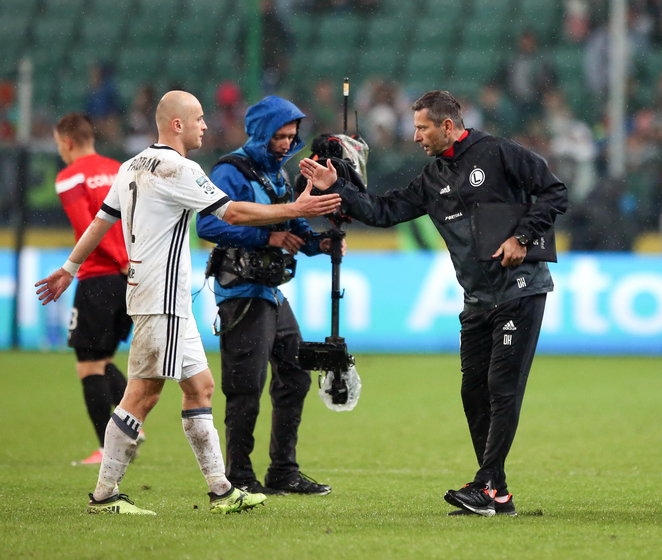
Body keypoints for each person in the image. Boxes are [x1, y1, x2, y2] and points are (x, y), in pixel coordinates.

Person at [35, 90, 342, 515]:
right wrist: (297, 207)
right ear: (176, 124)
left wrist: (69, 267)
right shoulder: (179, 168)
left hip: (163, 298)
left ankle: (222, 490)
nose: (205, 125)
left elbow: (100, 222)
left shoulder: (129, 166)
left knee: (201, 388)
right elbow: (229, 214)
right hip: (160, 299)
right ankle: (104, 496)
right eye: (198, 118)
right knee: (141, 396)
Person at [300, 90, 568, 517]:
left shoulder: (499, 153)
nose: (416, 136)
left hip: (520, 289)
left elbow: (555, 193)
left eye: (422, 127)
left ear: (447, 125)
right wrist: (338, 188)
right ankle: (496, 491)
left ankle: (487, 485)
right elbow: (384, 211)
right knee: (472, 392)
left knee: (502, 388)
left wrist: (522, 237)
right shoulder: (432, 179)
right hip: (477, 298)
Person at [196, 95, 336, 496]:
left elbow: (292, 225)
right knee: (246, 387)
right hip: (241, 292)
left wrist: (320, 244)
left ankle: (282, 471)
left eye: (292, 137)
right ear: (260, 133)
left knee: (294, 377)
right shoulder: (231, 170)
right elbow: (208, 224)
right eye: (279, 136)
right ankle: (238, 476)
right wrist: (266, 235)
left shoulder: (278, 175)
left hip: (270, 292)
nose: (287, 144)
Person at [52, 113, 137, 466]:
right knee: (102, 360)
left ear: (67, 142)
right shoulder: (119, 168)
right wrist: (129, 261)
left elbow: (88, 225)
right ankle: (132, 424)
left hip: (99, 275)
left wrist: (117, 259)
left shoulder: (70, 176)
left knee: (88, 366)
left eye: (59, 145)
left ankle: (110, 449)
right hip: (130, 276)